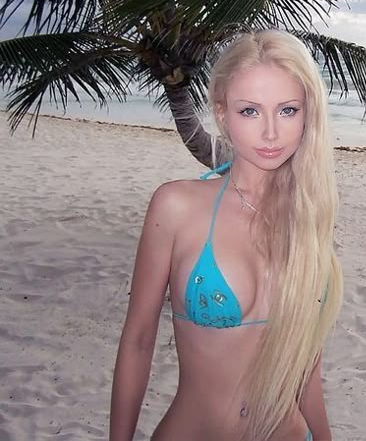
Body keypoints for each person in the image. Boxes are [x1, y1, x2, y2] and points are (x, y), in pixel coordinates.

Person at [110, 30, 343, 441]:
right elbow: (138, 340)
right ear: (222, 113)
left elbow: (306, 372)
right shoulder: (177, 207)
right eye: (250, 111)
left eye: (288, 110)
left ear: (308, 115)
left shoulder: (310, 221)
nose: (270, 132)